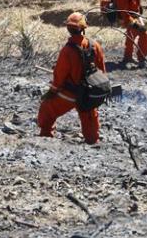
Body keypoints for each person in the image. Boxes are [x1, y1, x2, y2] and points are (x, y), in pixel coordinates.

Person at [37, 12, 106, 145]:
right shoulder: (95, 46)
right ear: (84, 28)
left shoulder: (67, 50)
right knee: (89, 115)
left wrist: (52, 91)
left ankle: (45, 137)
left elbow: (59, 76)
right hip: (89, 94)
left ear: (69, 29)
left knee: (47, 108)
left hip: (70, 94)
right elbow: (102, 71)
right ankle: (92, 141)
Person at [114, 0, 147, 69]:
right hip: (127, 18)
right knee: (144, 34)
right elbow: (124, 12)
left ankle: (128, 57)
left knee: (131, 36)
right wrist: (135, 24)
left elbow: (135, 5)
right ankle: (141, 59)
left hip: (135, 15)